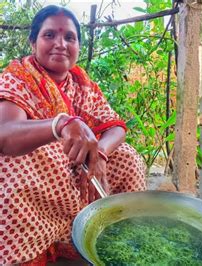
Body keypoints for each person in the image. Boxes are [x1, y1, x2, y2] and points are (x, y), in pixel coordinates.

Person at [0, 6, 146, 265]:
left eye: (69, 37)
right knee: (19, 167)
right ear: (33, 42)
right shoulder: (17, 78)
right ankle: (40, 244)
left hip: (83, 176)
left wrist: (100, 154)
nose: (60, 44)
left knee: (127, 157)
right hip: (38, 181)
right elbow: (6, 134)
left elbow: (116, 127)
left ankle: (107, 232)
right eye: (49, 36)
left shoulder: (82, 83)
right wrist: (60, 124)